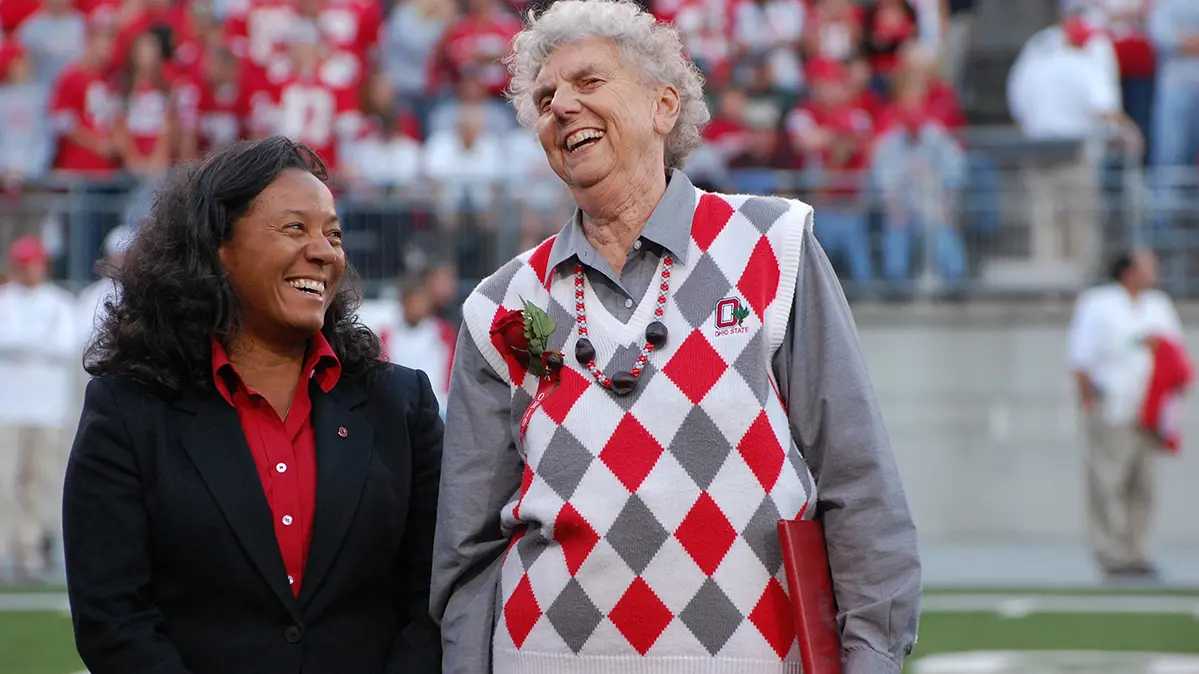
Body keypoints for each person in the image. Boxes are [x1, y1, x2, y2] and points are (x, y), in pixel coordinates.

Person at [430, 2, 921, 673]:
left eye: (588, 82)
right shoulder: (509, 306)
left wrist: (870, 657)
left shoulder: (770, 247)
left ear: (664, 105)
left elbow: (855, 481)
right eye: (543, 98)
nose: (560, 106)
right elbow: (470, 543)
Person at [62, 136, 442, 673]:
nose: (324, 251)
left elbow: (432, 602)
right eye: (295, 228)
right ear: (219, 246)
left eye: (333, 234)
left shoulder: (402, 404)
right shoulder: (127, 408)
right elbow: (113, 618)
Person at [1067, 248, 1183, 579]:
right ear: (1128, 271)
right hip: (1112, 407)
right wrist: (1090, 402)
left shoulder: (1158, 305)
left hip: (1149, 410)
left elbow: (1175, 356)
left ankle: (1139, 552)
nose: (1154, 270)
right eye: (1148, 265)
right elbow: (1080, 358)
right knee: (1107, 481)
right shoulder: (1098, 303)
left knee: (1143, 485)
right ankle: (1111, 553)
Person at [0, 235, 76, 584]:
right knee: (6, 482)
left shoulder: (59, 303)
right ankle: (6, 551)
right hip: (9, 409)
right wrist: (36, 341)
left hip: (46, 408)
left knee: (41, 482)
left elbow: (65, 346)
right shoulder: (6, 301)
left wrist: (25, 344)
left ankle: (32, 553)